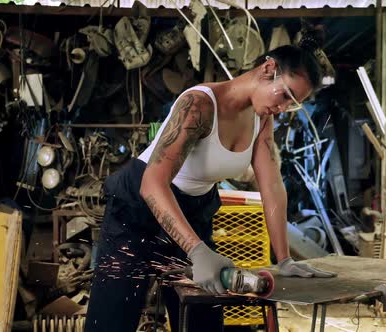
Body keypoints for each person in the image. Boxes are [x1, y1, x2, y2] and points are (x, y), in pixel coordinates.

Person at [84, 45, 336, 332]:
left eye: (292, 104)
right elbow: (152, 183)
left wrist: (285, 259)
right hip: (135, 213)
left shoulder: (261, 118)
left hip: (192, 214)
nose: (282, 108)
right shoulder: (199, 104)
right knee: (112, 321)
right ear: (268, 69)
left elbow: (272, 185)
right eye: (285, 95)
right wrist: (198, 252)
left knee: (203, 319)